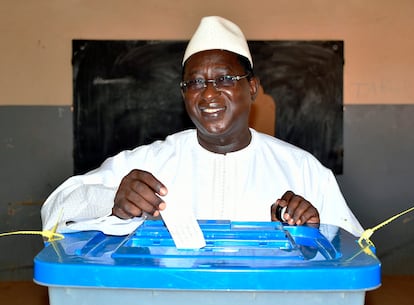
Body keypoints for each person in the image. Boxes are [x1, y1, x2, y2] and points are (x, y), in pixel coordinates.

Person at [41, 16, 363, 237]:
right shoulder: (152, 164)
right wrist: (111, 200)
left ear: (252, 87)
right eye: (194, 82)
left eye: (224, 79)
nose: (208, 93)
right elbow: (54, 214)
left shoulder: (302, 169)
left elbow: (356, 250)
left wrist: (316, 234)